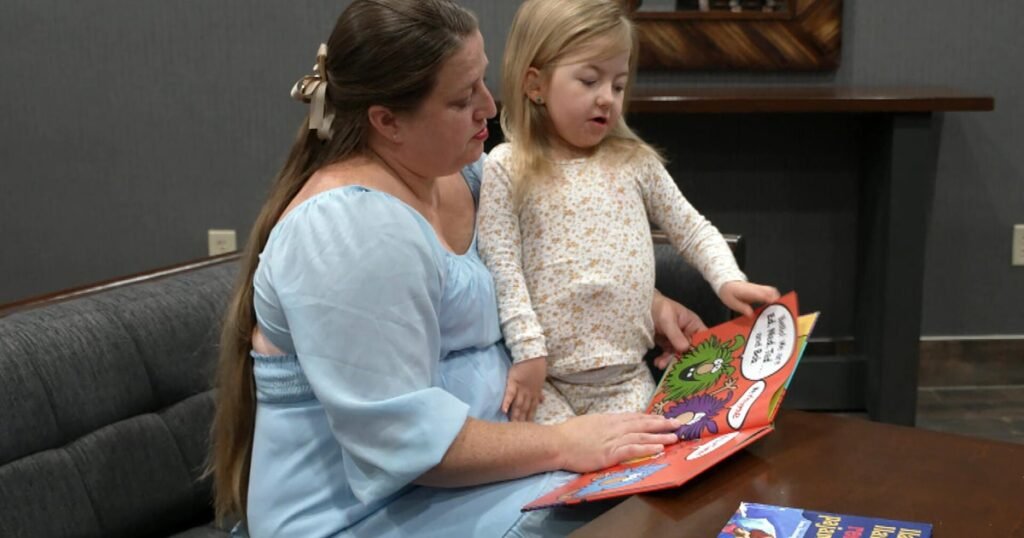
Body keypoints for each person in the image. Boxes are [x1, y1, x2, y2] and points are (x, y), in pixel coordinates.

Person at [208, 1, 709, 536]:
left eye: (483, 82)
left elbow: (545, 261)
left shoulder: (462, 172)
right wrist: (565, 443)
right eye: (462, 98)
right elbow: (404, 443)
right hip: (364, 512)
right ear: (387, 121)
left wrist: (647, 303)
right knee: (629, 511)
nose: (489, 109)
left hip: (481, 471)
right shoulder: (346, 231)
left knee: (680, 475)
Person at [476, 0, 780, 425]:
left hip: (626, 380)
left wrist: (727, 278)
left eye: (618, 85)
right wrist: (528, 353)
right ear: (535, 84)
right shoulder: (507, 167)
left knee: (643, 463)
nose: (607, 98)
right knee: (557, 467)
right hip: (544, 382)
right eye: (589, 81)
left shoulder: (635, 163)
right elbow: (502, 266)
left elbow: (692, 229)